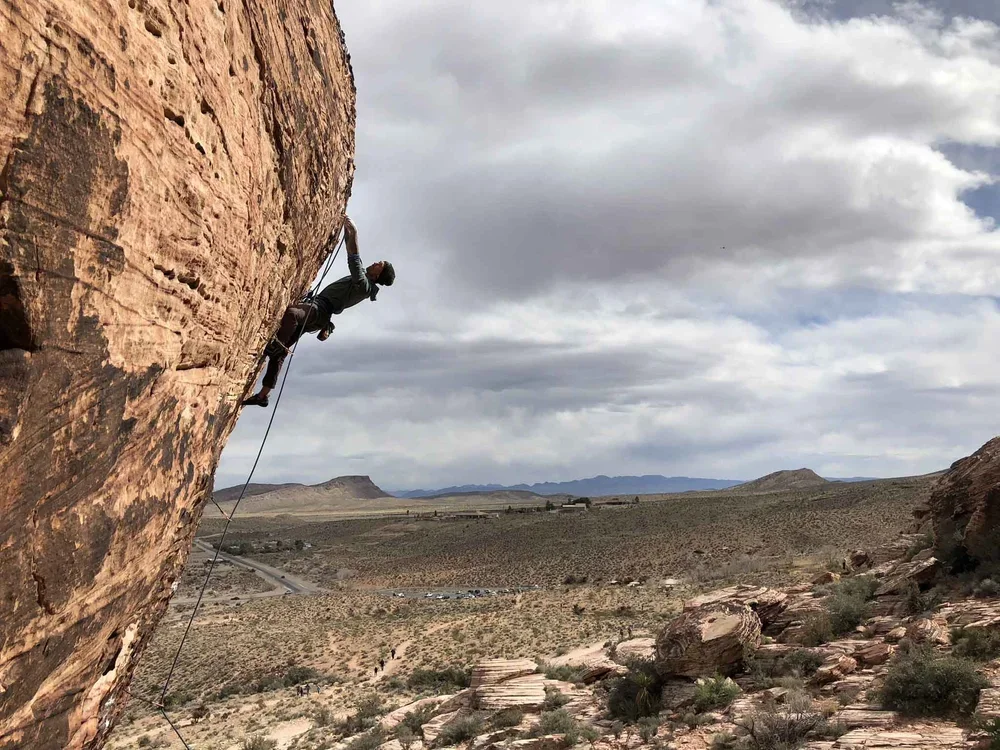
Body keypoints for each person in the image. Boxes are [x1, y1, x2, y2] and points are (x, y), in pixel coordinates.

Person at [242, 217, 395, 408]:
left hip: (320, 310)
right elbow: (353, 253)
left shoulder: (364, 287)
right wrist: (346, 229)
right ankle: (263, 395)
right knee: (279, 355)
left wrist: (354, 231)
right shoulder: (365, 281)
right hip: (319, 310)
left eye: (379, 263)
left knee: (292, 313)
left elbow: (354, 259)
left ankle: (278, 345)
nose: (375, 262)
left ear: (378, 274)